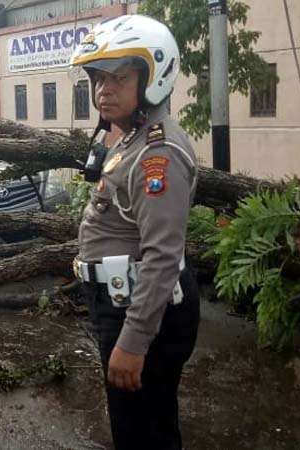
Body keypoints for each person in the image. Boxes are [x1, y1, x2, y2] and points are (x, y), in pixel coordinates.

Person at [70, 15, 200, 450]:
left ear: (153, 76)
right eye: (99, 78)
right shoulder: (131, 138)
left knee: (143, 435)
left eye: (119, 78)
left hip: (141, 311)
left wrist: (134, 341)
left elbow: (163, 256)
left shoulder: (156, 154)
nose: (103, 90)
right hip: (122, 301)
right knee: (142, 427)